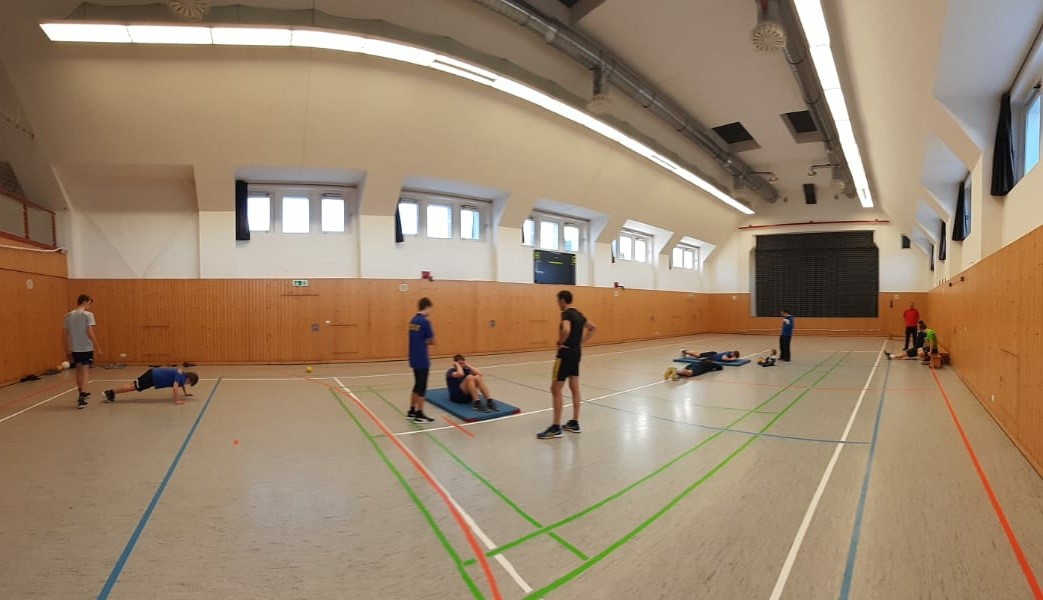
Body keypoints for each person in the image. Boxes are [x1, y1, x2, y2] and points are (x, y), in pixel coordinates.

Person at [537, 290, 597, 440]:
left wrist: (560, 342)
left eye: (558, 300)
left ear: (563, 301)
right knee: (574, 387)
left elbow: (566, 329)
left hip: (565, 354)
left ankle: (556, 427)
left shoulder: (566, 314)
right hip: (576, 353)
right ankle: (574, 422)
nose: (557, 303)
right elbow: (593, 328)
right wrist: (581, 343)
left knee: (555, 388)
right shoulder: (579, 315)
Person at [64, 294, 101, 409]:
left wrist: (67, 349)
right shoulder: (88, 315)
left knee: (78, 370)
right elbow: (90, 332)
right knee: (85, 372)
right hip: (86, 348)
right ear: (84, 301)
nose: (90, 306)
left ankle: (81, 392)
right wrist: (97, 346)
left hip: (75, 349)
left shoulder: (68, 315)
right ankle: (81, 398)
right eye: (89, 303)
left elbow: (64, 335)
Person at [407, 297, 436, 423]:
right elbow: (432, 340)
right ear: (427, 307)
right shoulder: (425, 322)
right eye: (431, 309)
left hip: (413, 357)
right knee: (422, 387)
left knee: (417, 385)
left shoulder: (413, 320)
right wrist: (426, 341)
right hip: (422, 359)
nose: (431, 311)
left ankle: (411, 411)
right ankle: (420, 413)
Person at [103, 367, 199, 404]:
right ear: (189, 379)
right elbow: (175, 388)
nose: (187, 384)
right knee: (133, 387)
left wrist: (185, 393)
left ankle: (112, 392)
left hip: (152, 373)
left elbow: (181, 384)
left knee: (132, 385)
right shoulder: (180, 376)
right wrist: (176, 400)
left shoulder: (182, 374)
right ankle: (110, 392)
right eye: (189, 383)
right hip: (153, 378)